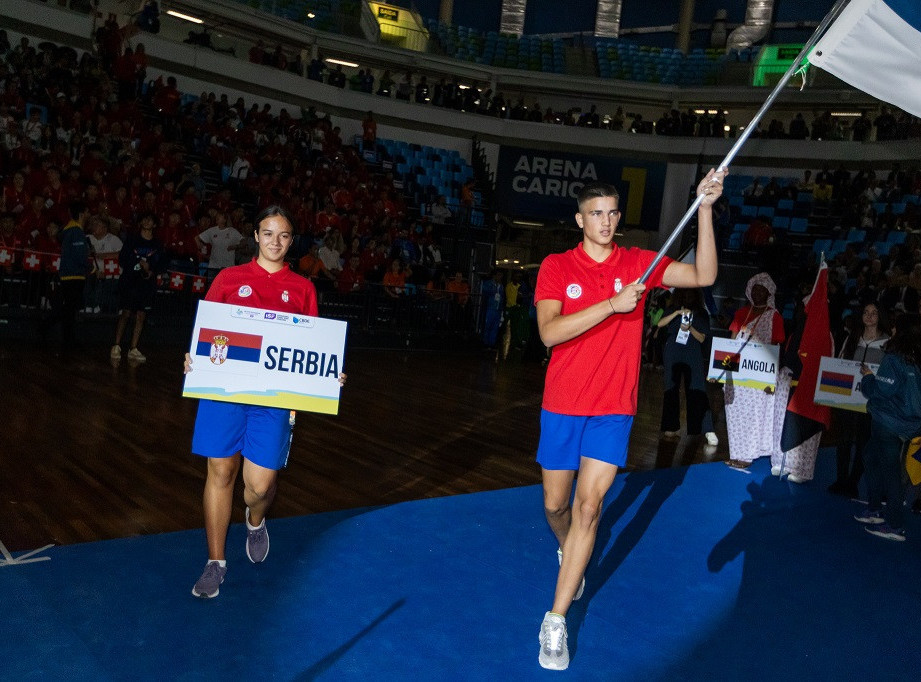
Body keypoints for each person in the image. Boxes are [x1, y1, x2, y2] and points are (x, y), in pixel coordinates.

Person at [534, 169, 725, 670]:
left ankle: (555, 621)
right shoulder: (556, 266)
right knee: (556, 505)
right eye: (596, 213)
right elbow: (549, 334)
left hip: (613, 408)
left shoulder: (640, 263)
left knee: (589, 509)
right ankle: (567, 550)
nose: (606, 221)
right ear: (579, 219)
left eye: (613, 213)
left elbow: (703, 275)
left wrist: (704, 209)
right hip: (562, 403)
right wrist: (611, 305)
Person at [184, 205, 343, 598]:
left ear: (291, 242)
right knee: (220, 472)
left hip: (273, 400)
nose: (276, 242)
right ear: (255, 235)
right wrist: (192, 355)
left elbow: (313, 348)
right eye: (268, 233)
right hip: (224, 391)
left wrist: (329, 373)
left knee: (259, 485)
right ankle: (215, 562)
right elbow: (206, 332)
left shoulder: (304, 288)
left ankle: (255, 520)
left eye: (284, 236)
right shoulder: (228, 277)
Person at [855, 314, 921, 541]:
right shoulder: (915, 357)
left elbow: (881, 391)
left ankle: (894, 525)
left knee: (891, 473)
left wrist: (868, 378)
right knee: (870, 457)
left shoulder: (894, 359)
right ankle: (875, 509)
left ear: (897, 331)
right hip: (908, 424)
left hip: (889, 423)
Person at [723, 273, 785, 470]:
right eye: (755, 288)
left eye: (762, 289)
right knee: (735, 412)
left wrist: (771, 379)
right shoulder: (742, 313)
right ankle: (736, 453)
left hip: (760, 374)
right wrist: (724, 372)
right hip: (739, 370)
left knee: (753, 415)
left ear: (769, 293)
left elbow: (776, 348)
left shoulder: (774, 316)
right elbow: (732, 341)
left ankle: (747, 455)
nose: (757, 292)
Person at [828, 303, 888, 497]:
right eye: (866, 312)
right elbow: (839, 362)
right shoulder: (851, 339)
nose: (869, 316)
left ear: (880, 316)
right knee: (843, 440)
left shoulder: (888, 343)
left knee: (864, 443)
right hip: (848, 399)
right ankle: (840, 480)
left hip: (872, 402)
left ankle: (853, 483)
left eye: (874, 313)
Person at [657, 288, 717, 444]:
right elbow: (660, 323)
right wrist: (677, 314)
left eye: (691, 292)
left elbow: (703, 338)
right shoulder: (672, 309)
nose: (688, 295)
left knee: (697, 388)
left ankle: (704, 428)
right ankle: (670, 427)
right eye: (684, 292)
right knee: (671, 388)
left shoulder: (701, 313)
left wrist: (690, 327)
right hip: (673, 350)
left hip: (692, 351)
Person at [112, 213, 164, 362]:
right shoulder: (132, 240)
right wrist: (137, 264)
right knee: (126, 312)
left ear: (154, 225)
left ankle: (133, 348)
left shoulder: (157, 244)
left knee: (141, 315)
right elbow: (122, 259)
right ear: (141, 223)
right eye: (145, 219)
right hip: (130, 281)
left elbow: (161, 263)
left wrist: (151, 270)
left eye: (150, 220)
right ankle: (116, 345)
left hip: (147, 284)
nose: (147, 221)